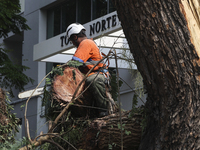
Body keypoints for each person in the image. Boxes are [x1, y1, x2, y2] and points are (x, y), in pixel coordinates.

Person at [66, 23, 112, 117]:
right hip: (90, 74)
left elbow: (75, 62)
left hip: (98, 76)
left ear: (75, 37)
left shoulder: (86, 43)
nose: (73, 44)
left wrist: (64, 68)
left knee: (92, 80)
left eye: (72, 41)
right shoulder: (86, 44)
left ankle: (103, 110)